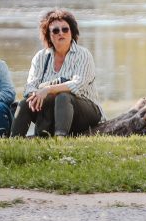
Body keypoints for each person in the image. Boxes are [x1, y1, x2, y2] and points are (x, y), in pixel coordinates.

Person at [10, 9, 104, 137]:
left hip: (85, 111)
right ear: (49, 36)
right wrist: (37, 94)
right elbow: (29, 87)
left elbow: (77, 84)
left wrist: (48, 89)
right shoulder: (40, 57)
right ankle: (13, 141)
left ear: (72, 32)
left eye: (65, 29)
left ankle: (60, 138)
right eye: (55, 30)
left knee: (63, 97)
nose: (61, 33)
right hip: (52, 111)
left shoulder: (83, 54)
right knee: (25, 103)